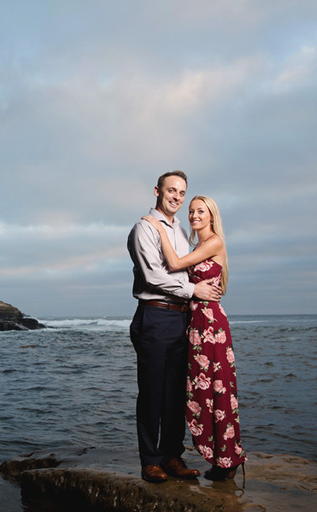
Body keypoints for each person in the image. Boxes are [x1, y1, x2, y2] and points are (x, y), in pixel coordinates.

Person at [143, 195, 246, 481]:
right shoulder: (199, 245)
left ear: (212, 215)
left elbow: (175, 264)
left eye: (200, 211)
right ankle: (219, 458)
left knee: (219, 389)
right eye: (191, 211)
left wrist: (158, 228)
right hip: (195, 323)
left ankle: (228, 459)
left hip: (211, 324)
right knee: (202, 392)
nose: (194, 215)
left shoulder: (213, 241)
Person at [127, 170, 221, 483]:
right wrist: (195, 291)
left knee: (175, 394)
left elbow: (184, 268)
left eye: (182, 193)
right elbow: (155, 276)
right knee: (152, 392)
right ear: (157, 190)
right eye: (171, 191)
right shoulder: (144, 228)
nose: (177, 198)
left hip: (183, 318)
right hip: (155, 315)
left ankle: (171, 456)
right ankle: (149, 461)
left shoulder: (181, 230)